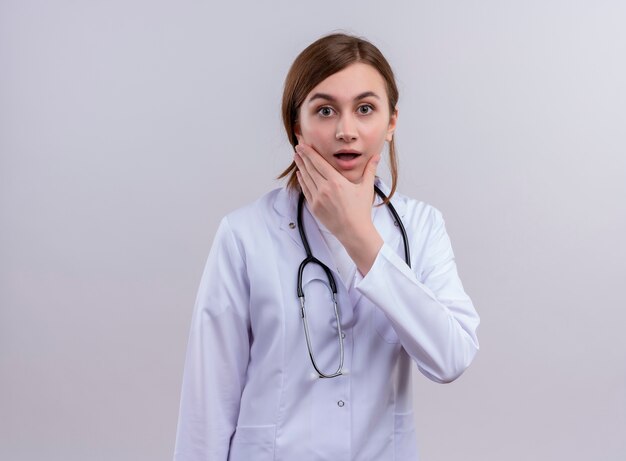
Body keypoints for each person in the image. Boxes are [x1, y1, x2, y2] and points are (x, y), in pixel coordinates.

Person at [173, 32, 480, 461]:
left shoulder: (422, 227)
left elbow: (450, 357)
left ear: (391, 122)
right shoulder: (245, 234)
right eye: (325, 110)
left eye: (366, 109)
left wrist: (359, 236)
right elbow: (207, 401)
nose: (346, 131)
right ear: (296, 125)